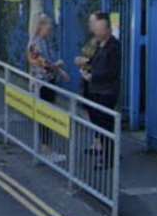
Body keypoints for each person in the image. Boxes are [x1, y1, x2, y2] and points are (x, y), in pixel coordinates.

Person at [75, 11, 121, 167]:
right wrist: (85, 67)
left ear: (107, 30)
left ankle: (109, 159)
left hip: (106, 92)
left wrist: (92, 76)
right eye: (96, 29)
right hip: (95, 90)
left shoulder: (113, 46)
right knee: (99, 125)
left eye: (100, 29)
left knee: (106, 126)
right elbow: (91, 61)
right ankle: (104, 153)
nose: (97, 32)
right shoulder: (98, 43)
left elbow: (111, 71)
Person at [28, 14, 68, 163]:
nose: (50, 30)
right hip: (42, 84)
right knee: (45, 117)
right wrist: (57, 66)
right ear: (41, 27)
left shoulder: (43, 41)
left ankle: (47, 149)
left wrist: (58, 70)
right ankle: (46, 151)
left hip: (47, 82)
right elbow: (42, 63)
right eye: (48, 27)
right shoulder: (36, 43)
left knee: (47, 116)